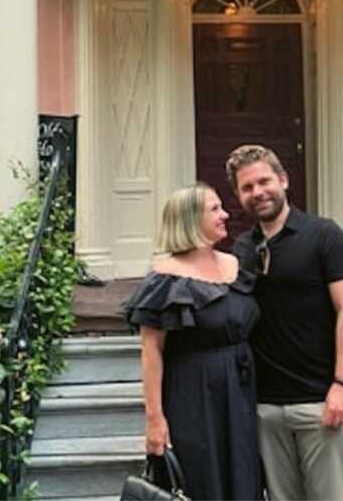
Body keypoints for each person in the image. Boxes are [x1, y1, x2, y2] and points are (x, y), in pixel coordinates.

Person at [226, 145, 343, 500]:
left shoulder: (324, 235)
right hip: (264, 407)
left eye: (264, 181)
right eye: (247, 188)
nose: (257, 192)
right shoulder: (242, 248)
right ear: (239, 196)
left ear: (283, 180)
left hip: (318, 401)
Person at [125, 183, 262, 500]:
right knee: (201, 478)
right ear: (188, 219)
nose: (225, 214)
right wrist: (155, 420)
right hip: (193, 393)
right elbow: (152, 352)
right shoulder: (165, 277)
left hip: (242, 390)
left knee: (245, 474)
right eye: (214, 209)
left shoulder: (237, 265)